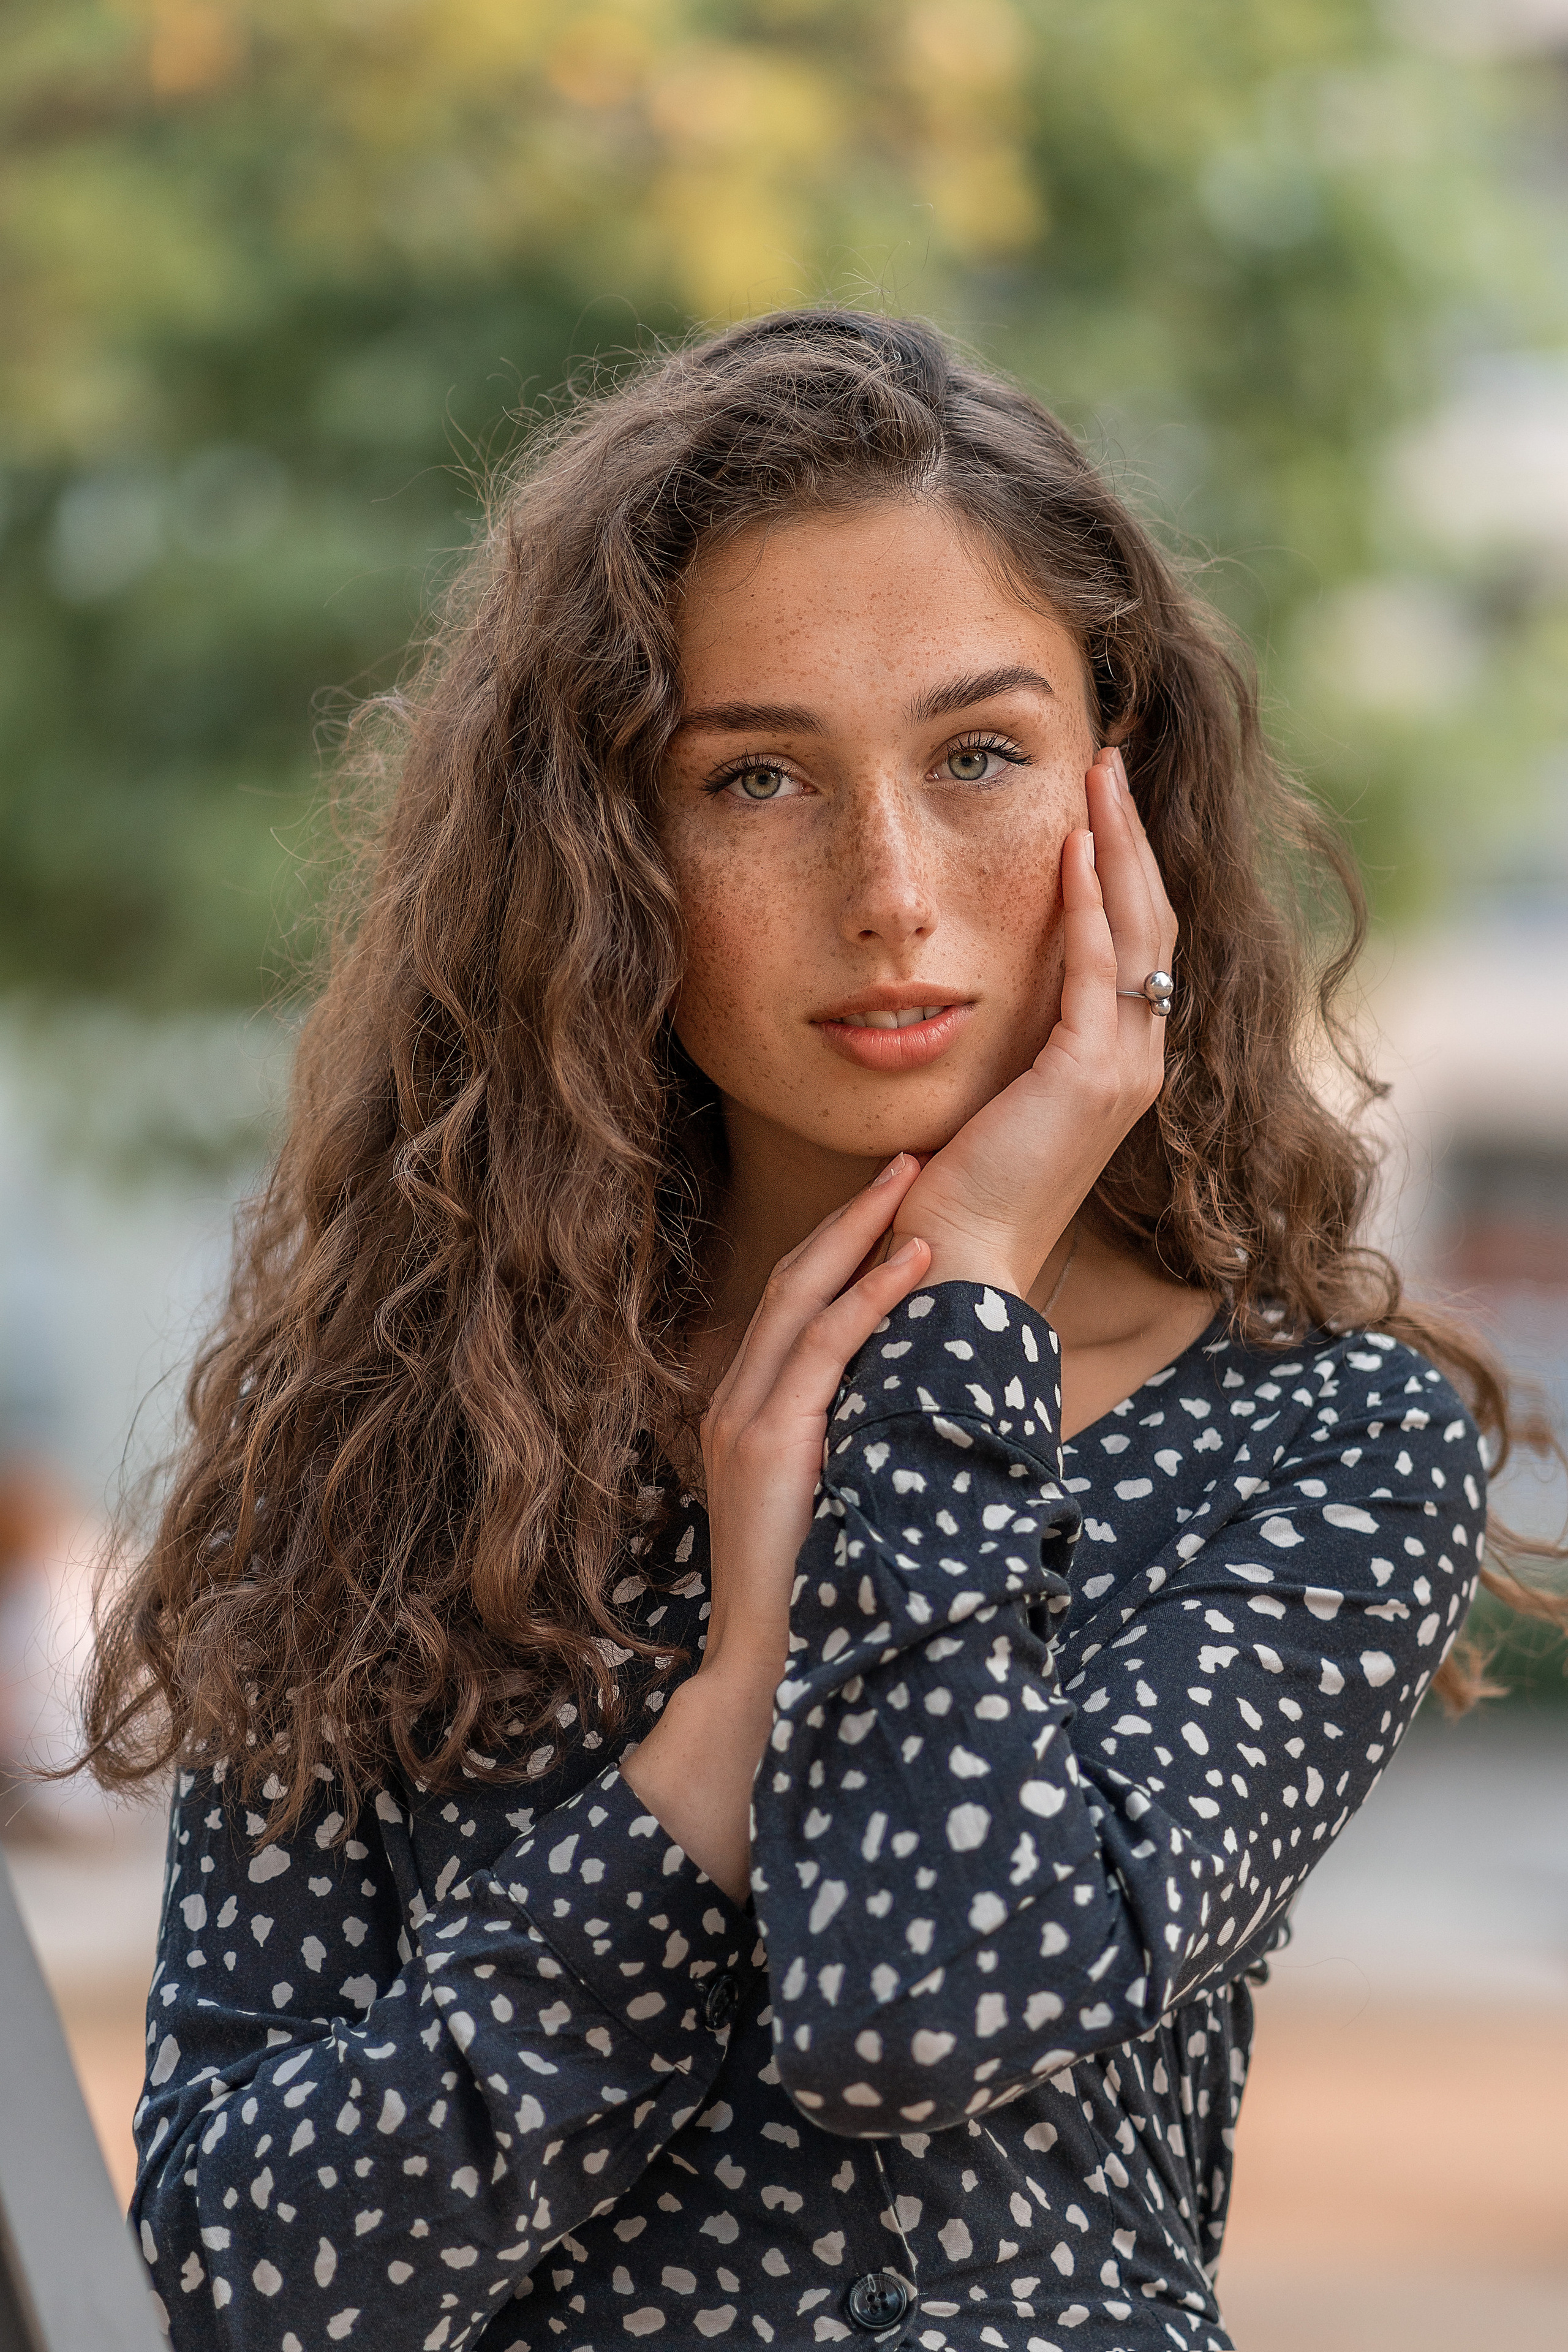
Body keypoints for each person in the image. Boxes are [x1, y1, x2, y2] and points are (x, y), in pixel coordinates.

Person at [80, 312, 1564, 2352]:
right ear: (604, 850)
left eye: (978, 759)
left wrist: (954, 1324)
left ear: (1123, 801)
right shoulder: (396, 1428)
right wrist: (713, 1747)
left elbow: (923, 2006)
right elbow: (237, 2279)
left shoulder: (1317, 1439)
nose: (890, 889)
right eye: (756, 777)